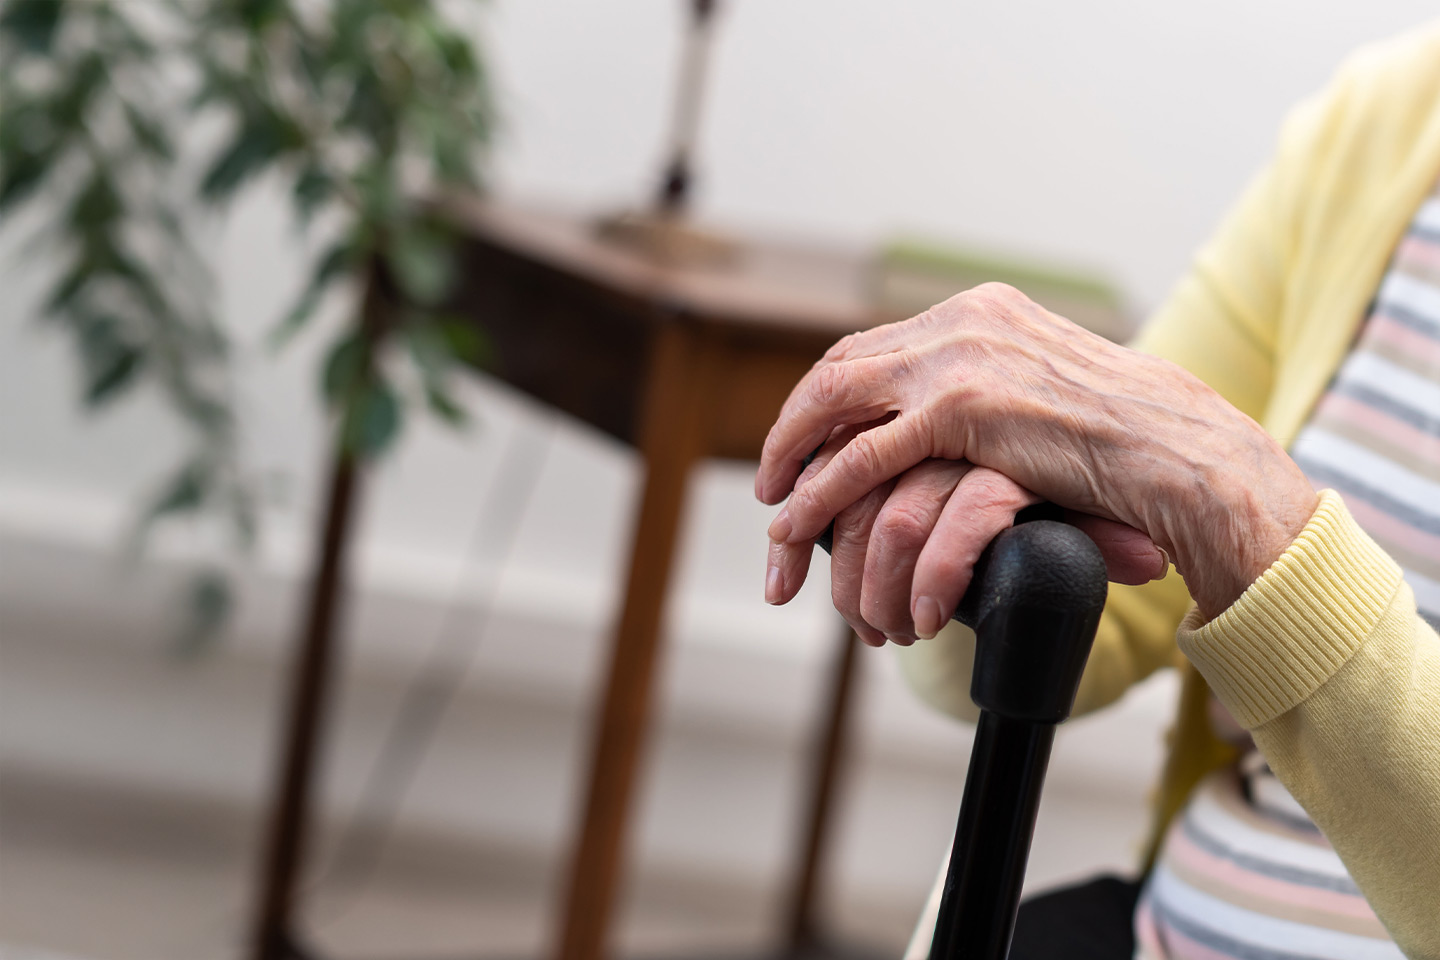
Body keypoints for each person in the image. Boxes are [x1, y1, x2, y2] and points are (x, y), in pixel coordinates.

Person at [756, 21, 1440, 960]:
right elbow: (1122, 583)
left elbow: (1203, 468)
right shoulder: (1395, 115)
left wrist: (1244, 512)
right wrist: (986, 506)